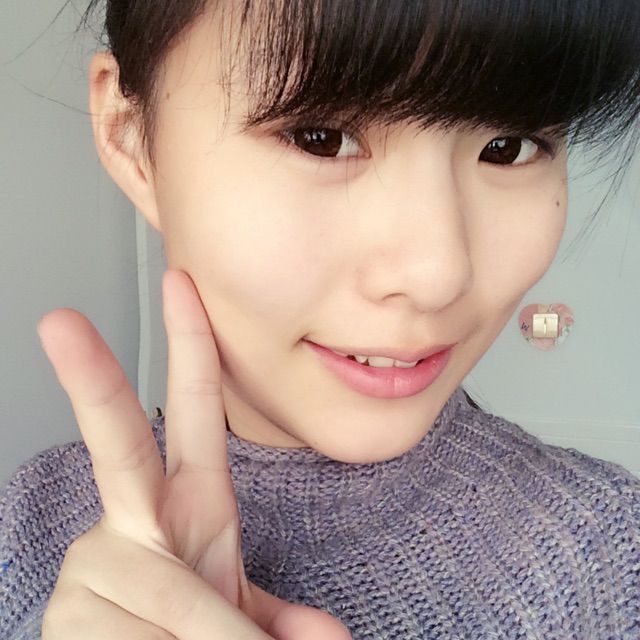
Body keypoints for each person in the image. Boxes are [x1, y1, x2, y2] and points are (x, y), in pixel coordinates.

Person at [1, 1, 639, 638]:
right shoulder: (24, 530)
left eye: (508, 147)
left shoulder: (607, 556)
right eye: (322, 138)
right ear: (132, 139)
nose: (438, 276)